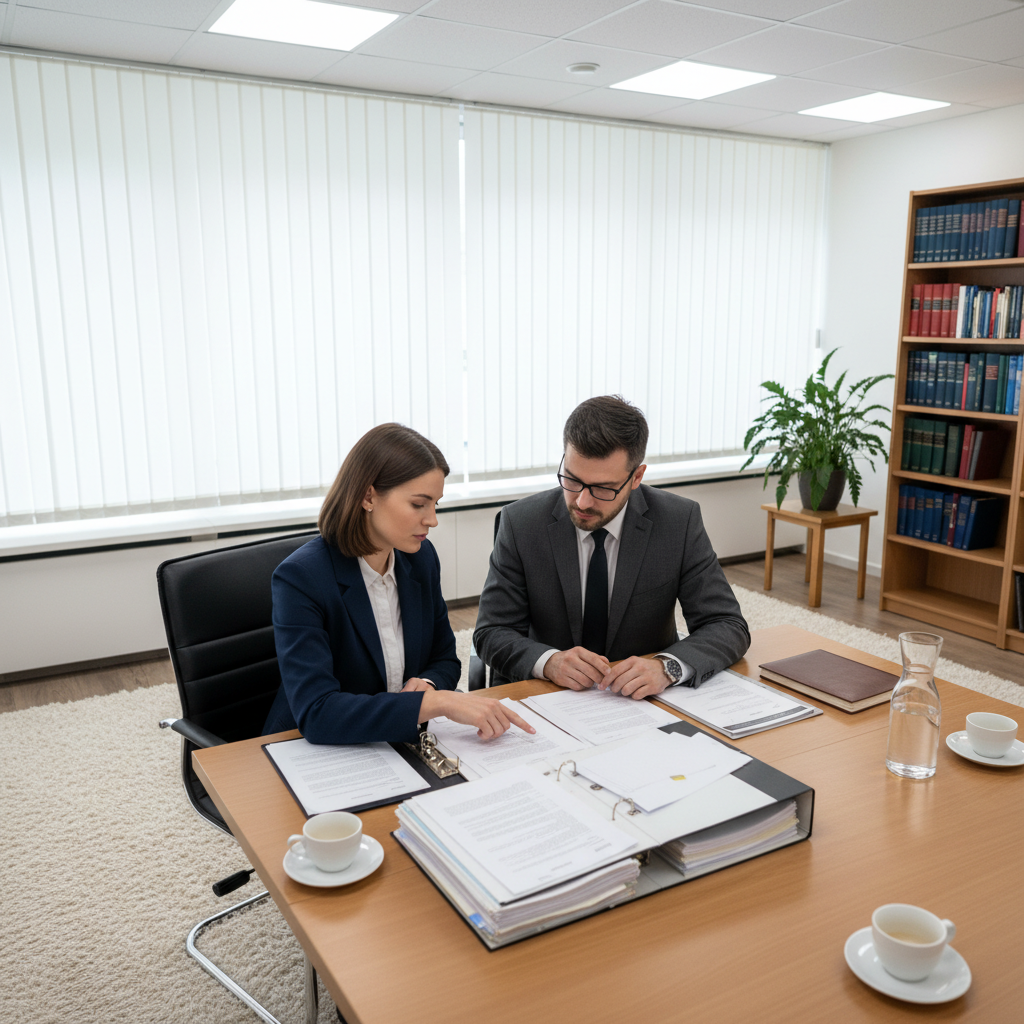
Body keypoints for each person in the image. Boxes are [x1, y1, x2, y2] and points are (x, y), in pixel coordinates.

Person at [263, 423, 534, 745]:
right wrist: (434, 703)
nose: (432, 519)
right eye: (419, 504)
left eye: (436, 504)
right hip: (313, 747)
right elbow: (317, 713)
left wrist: (429, 684)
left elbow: (445, 658)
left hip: (397, 740)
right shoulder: (301, 578)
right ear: (368, 496)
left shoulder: (419, 559)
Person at [473, 396, 750, 698]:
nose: (582, 501)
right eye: (573, 480)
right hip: (547, 694)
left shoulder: (678, 522)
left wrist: (666, 668)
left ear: (637, 477)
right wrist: (549, 662)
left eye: (603, 488)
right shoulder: (521, 523)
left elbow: (726, 624)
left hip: (639, 700)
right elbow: (492, 633)